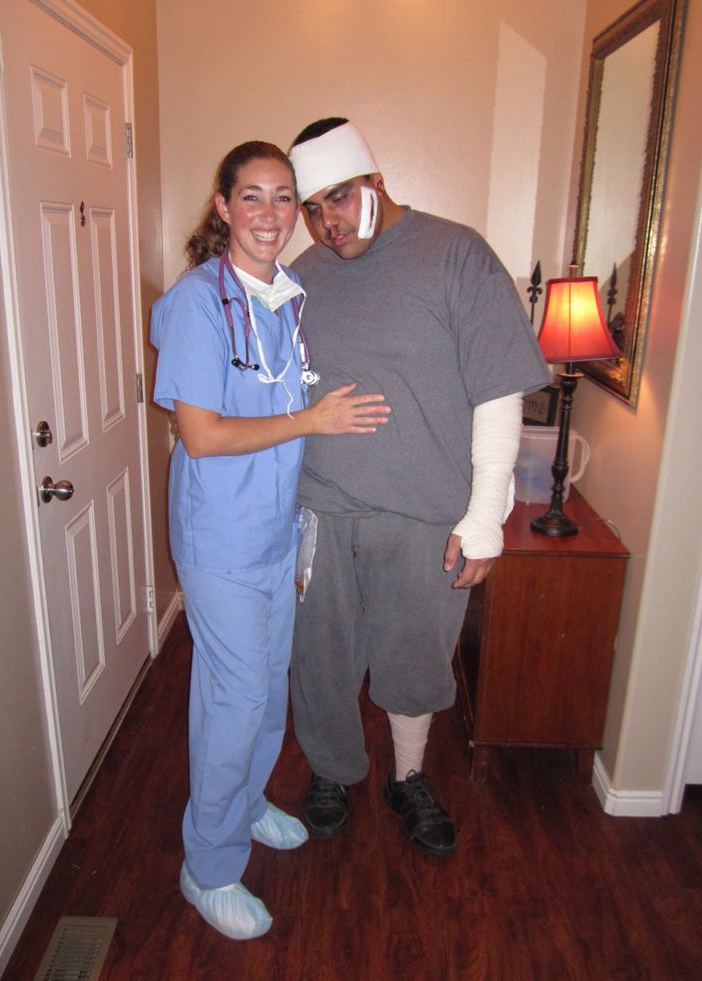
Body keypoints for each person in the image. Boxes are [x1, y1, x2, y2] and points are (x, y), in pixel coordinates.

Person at [287, 119, 551, 857]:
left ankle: (408, 776)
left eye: (338, 197)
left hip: (426, 511)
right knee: (322, 656)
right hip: (323, 508)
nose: (327, 221)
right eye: (312, 207)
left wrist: (486, 515)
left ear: (374, 182)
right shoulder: (303, 277)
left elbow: (499, 391)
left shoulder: (456, 254)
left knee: (416, 656)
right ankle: (332, 772)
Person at [150, 141, 390, 940]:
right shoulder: (196, 303)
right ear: (222, 207)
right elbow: (204, 433)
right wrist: (312, 420)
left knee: (263, 690)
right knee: (238, 695)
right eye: (251, 197)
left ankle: (244, 803)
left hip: (276, 531)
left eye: (284, 198)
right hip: (218, 535)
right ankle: (207, 865)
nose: (270, 214)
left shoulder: (286, 298)